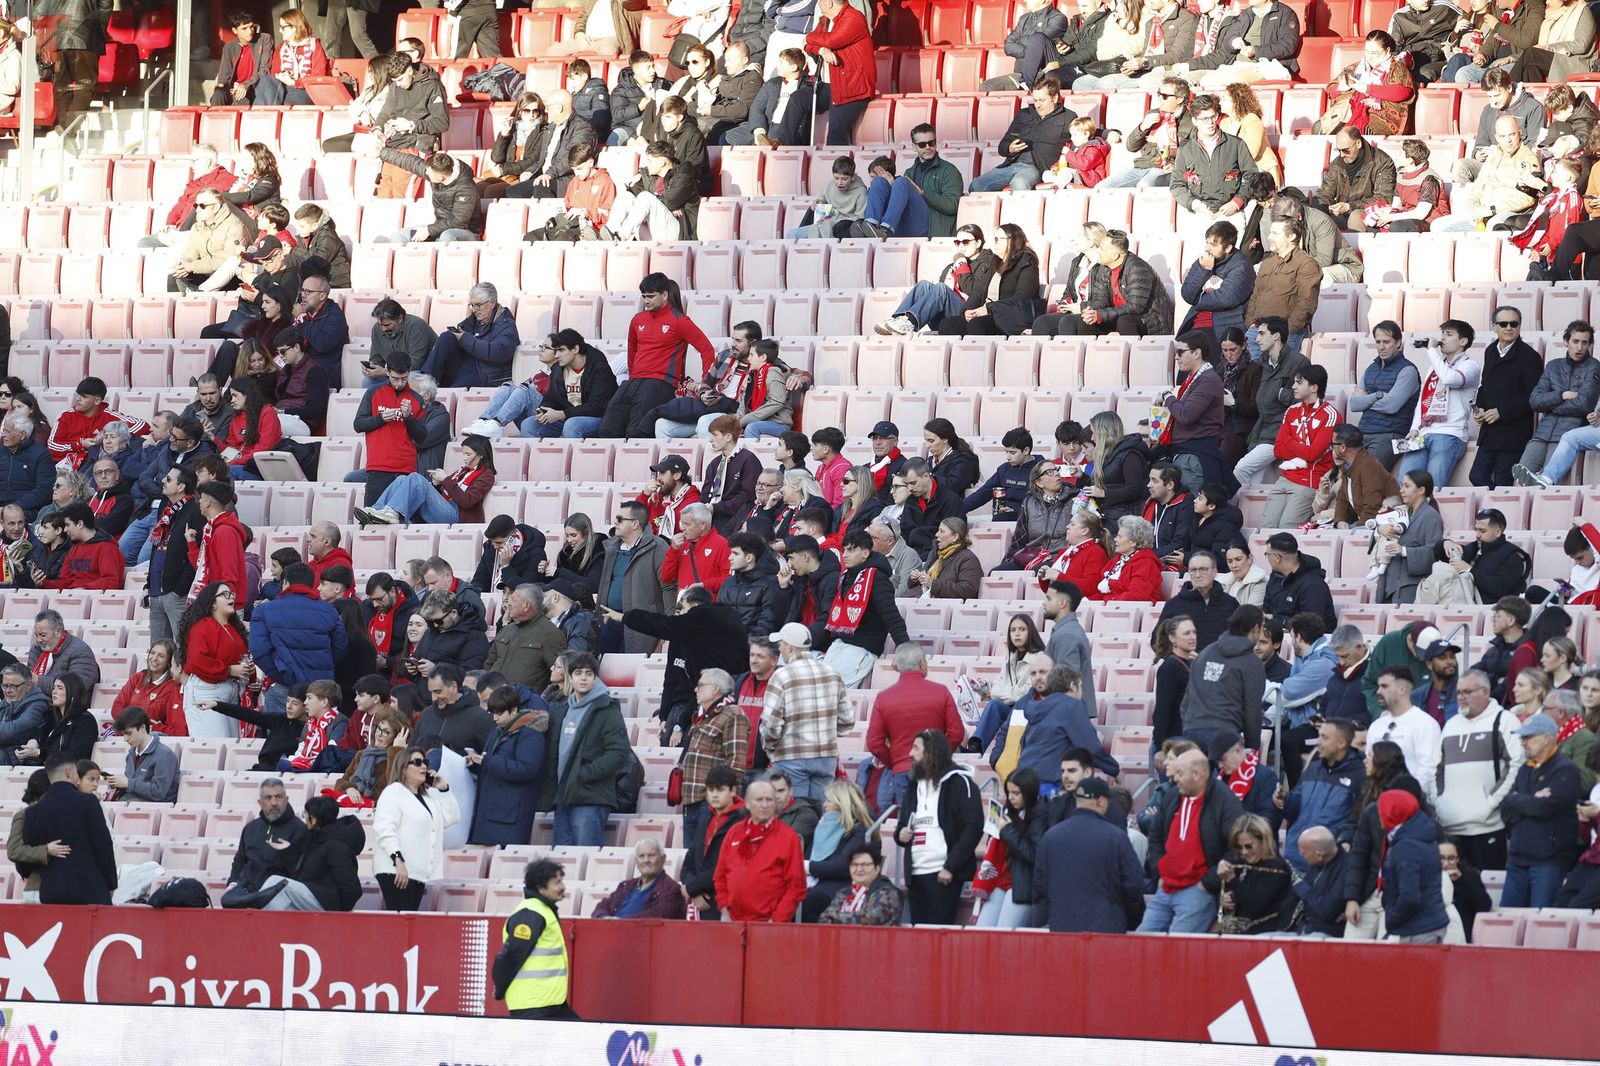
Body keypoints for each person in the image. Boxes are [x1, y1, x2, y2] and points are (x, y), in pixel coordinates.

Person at [1137, 748, 1247, 932]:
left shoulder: (1226, 802)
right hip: (1165, 887)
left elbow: (1238, 849)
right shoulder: (1173, 795)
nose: (1175, 777)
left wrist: (1207, 883)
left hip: (1197, 892)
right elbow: (1155, 836)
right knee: (1142, 944)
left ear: (1197, 774)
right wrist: (1159, 873)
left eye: (1180, 773)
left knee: (1179, 952)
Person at [539, 653, 631, 847]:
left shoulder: (607, 709)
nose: (583, 677)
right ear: (569, 678)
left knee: (583, 856)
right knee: (562, 863)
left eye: (589, 674)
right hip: (563, 795)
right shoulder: (563, 710)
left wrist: (583, 774)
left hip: (590, 796)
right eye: (578, 673)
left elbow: (619, 752)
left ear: (595, 678)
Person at [895, 729, 983, 925]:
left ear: (931, 752)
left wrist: (951, 866)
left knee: (939, 939)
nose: (910, 753)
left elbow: (973, 827)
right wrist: (900, 833)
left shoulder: (959, 783)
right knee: (919, 939)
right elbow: (902, 825)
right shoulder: (913, 786)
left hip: (943, 875)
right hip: (915, 875)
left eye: (916, 748)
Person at [867, 644, 965, 812]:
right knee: (937, 823)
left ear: (895, 666)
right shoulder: (941, 692)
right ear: (922, 663)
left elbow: (874, 743)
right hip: (935, 770)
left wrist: (896, 763)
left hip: (902, 771)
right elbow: (957, 733)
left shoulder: (884, 698)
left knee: (910, 827)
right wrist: (939, 757)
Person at [1498, 712, 1582, 906]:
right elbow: (1505, 809)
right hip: (1518, 859)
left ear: (1547, 737)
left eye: (1528, 737)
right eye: (1522, 737)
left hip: (1548, 861)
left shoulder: (1565, 770)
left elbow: (1545, 808)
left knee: (1542, 922)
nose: (1523, 742)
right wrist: (1529, 801)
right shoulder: (1525, 769)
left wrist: (1519, 800)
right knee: (1508, 918)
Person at [372, 744, 460, 911]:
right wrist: (398, 861)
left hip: (415, 873)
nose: (424, 766)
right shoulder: (394, 792)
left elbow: (451, 818)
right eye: (417, 762)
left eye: (425, 762)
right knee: (401, 921)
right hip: (396, 870)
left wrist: (443, 789)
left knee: (408, 920)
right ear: (404, 768)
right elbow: (385, 829)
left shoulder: (428, 797)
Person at [22, 754, 116, 905]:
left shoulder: (32, 812)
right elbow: (103, 845)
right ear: (68, 773)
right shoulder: (88, 802)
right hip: (90, 890)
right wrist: (111, 883)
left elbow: (24, 860)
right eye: (75, 772)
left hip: (50, 892)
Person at [493, 858, 576, 1020]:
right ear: (541, 888)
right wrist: (500, 987)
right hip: (534, 1006)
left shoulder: (541, 910)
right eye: (557, 883)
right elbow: (511, 955)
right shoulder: (531, 913)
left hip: (547, 1003)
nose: (563, 887)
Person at [1282, 718, 1367, 869]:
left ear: (1342, 743)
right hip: (1295, 855)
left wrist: (1343, 845)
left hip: (1327, 864)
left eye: (1325, 737)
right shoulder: (1313, 769)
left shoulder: (1361, 776)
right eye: (1319, 736)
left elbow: (1357, 823)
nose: (1318, 742)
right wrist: (1283, 800)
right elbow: (1293, 810)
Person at [1371, 788, 1451, 943]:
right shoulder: (1419, 834)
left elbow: (1410, 896)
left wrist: (1392, 919)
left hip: (1420, 929)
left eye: (1382, 810)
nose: (1379, 815)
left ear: (1393, 812)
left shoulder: (1407, 847)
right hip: (1426, 923)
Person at [224, 778, 308, 906]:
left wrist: (288, 852)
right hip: (246, 892)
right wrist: (232, 882)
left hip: (278, 895)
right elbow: (239, 861)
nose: (274, 803)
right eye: (268, 798)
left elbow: (302, 872)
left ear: (286, 799)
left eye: (278, 797)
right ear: (260, 802)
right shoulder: (250, 828)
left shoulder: (300, 829)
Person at [680, 763, 746, 917]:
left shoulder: (742, 822)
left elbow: (727, 866)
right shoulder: (707, 821)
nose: (714, 795)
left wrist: (691, 887)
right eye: (711, 789)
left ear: (733, 791)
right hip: (702, 900)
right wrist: (694, 891)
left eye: (720, 789)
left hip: (729, 901)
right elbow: (690, 859)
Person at [1213, 813, 1296, 934]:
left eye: (1249, 846)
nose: (1244, 852)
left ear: (1263, 841)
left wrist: (1231, 879)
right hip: (1239, 933)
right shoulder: (1239, 863)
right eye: (1239, 847)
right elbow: (1231, 899)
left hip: (1266, 934)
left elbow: (1253, 906)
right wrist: (1224, 899)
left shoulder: (1277, 867)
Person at [1371, 665, 1443, 793]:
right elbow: (1369, 766)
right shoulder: (1376, 726)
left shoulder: (1424, 723)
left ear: (1402, 689)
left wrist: (1408, 799)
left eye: (1384, 686)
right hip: (1377, 804)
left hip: (1410, 803)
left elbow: (1428, 770)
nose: (1378, 691)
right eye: (1379, 686)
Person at [816, 842, 903, 925]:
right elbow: (824, 918)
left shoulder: (888, 892)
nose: (859, 869)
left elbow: (868, 918)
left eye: (865, 864)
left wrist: (835, 917)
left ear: (877, 868)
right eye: (854, 865)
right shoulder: (844, 893)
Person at [106, 707, 179, 803]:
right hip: (131, 803)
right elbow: (131, 786)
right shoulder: (131, 754)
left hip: (153, 809)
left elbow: (159, 792)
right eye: (123, 734)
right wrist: (118, 783)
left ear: (143, 728)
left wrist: (128, 783)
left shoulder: (165, 755)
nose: (125, 738)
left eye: (128, 733)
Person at [1088, 515, 1163, 603]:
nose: (1115, 539)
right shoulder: (1118, 559)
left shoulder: (1146, 563)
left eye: (1120, 536)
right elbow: (1103, 593)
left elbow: (1136, 597)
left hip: (1132, 613)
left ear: (1133, 542)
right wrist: (1085, 602)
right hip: (1112, 609)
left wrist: (1105, 604)